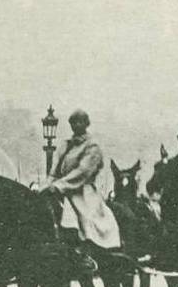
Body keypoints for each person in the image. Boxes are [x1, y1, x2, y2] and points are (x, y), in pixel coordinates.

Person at [39, 109, 121, 268]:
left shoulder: (92, 146)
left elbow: (82, 172)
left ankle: (85, 252)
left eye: (80, 121)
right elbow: (54, 171)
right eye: (73, 122)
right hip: (61, 188)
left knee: (83, 215)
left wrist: (59, 185)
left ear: (86, 124)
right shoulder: (65, 145)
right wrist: (45, 186)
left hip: (82, 190)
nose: (76, 125)